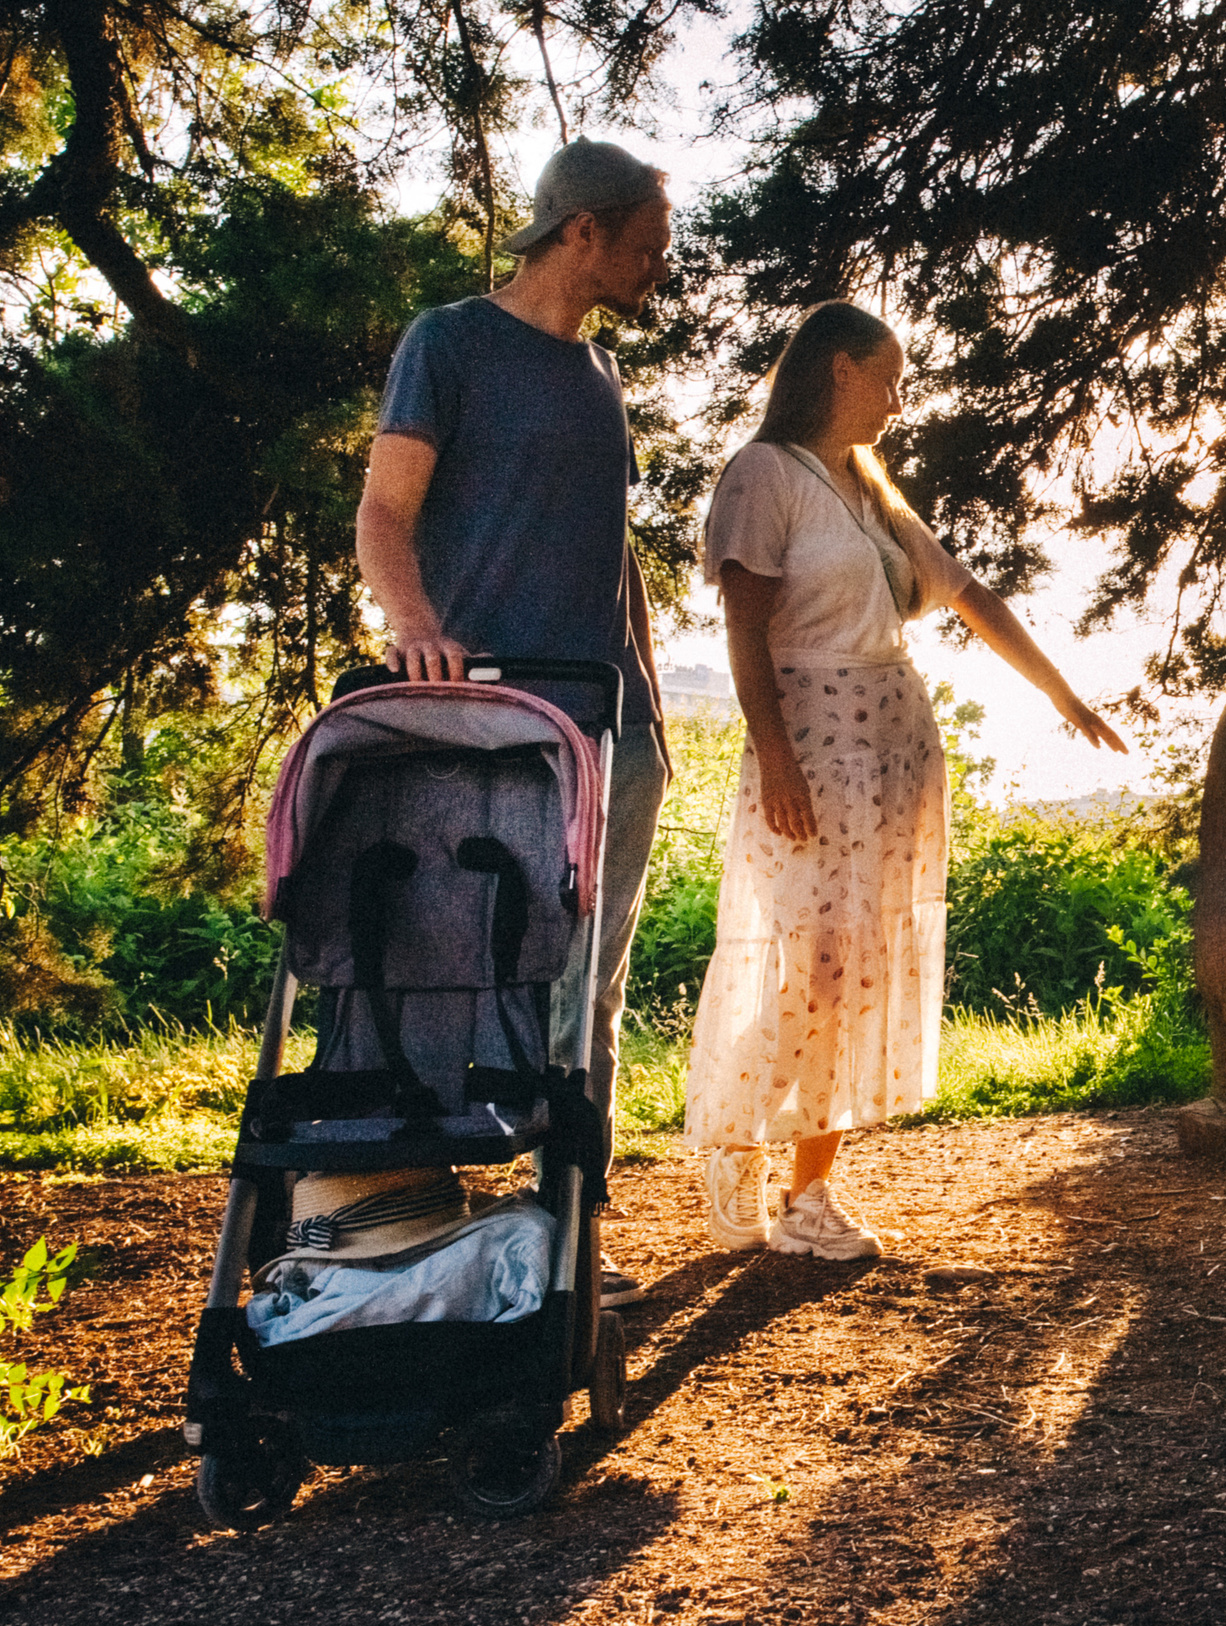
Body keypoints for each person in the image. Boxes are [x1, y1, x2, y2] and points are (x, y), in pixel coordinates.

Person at [687, 301, 1127, 1258]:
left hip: (894, 751)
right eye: (887, 379)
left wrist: (1063, 695)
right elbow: (745, 630)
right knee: (806, 962)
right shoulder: (765, 474)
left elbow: (971, 596)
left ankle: (810, 1192)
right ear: (839, 369)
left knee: (854, 972)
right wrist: (775, 756)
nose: (896, 401)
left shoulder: (870, 488)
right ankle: (733, 1144)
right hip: (812, 747)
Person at [355, 138, 675, 1306]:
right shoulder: (448, 343)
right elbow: (385, 511)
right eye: (648, 243)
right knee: (449, 962)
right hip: (482, 721)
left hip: (608, 727)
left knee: (587, 993)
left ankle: (568, 1225)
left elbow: (608, 558)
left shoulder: (602, 377)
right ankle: (406, 1218)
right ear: (581, 229)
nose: (660, 265)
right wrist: (416, 627)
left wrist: (646, 708)